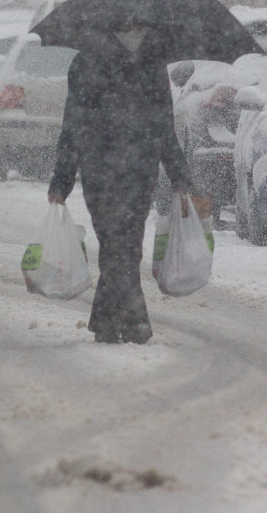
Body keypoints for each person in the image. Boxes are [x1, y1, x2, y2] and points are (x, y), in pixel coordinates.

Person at [48, 25, 193, 344]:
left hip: (112, 170)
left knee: (121, 246)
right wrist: (61, 182)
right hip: (128, 170)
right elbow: (75, 126)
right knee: (121, 245)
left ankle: (109, 321)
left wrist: (180, 176)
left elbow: (74, 127)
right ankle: (131, 319)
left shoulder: (94, 62)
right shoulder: (105, 63)